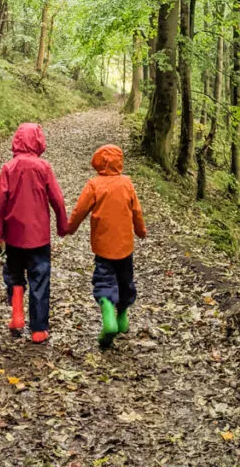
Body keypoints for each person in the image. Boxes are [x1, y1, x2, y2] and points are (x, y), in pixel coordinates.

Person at [0, 122, 68, 344]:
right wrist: (62, 226)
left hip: (14, 236)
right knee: (40, 279)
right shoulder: (44, 168)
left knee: (14, 274)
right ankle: (38, 329)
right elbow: (57, 199)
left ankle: (17, 316)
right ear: (38, 142)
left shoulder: (8, 168)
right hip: (39, 237)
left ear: (16, 141)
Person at [66, 144, 147, 348]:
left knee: (104, 280)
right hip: (125, 245)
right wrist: (140, 230)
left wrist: (70, 228)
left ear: (98, 162)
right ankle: (122, 318)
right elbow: (136, 210)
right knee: (125, 281)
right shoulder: (127, 183)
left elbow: (79, 210)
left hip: (103, 247)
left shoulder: (94, 184)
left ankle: (109, 317)